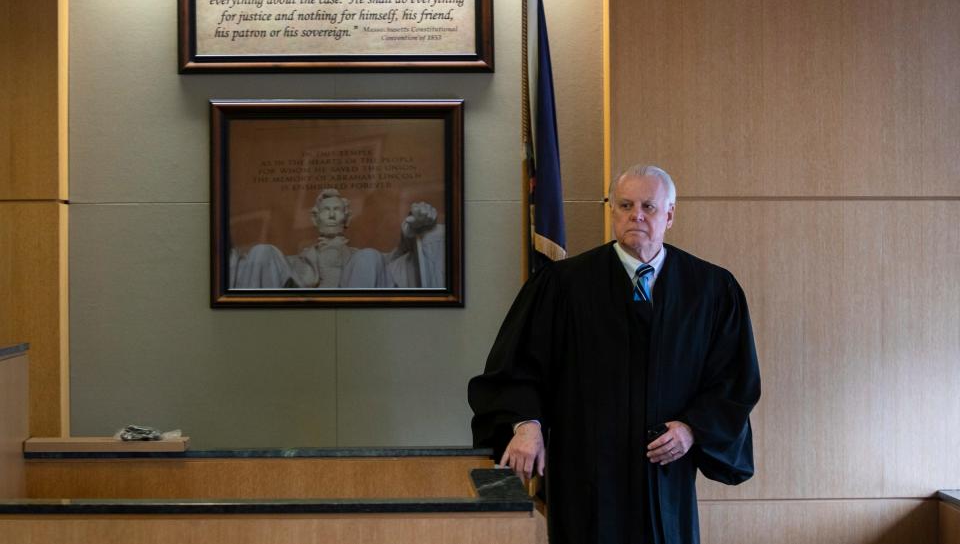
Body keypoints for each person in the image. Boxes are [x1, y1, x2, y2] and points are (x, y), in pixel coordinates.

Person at [468, 164, 760, 544]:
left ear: (670, 214)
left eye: (648, 206)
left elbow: (734, 381)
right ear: (612, 212)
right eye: (624, 205)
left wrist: (692, 429)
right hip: (584, 472)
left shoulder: (711, 290)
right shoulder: (562, 285)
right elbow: (517, 365)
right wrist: (527, 425)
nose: (635, 215)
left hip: (664, 474)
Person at [230, 188, 444, 289]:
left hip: (354, 306)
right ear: (315, 218)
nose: (331, 215)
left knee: (369, 257)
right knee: (262, 252)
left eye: (337, 210)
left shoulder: (364, 260)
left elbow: (396, 261)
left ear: (347, 217)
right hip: (300, 308)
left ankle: (360, 332)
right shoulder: (297, 262)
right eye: (326, 211)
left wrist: (411, 231)